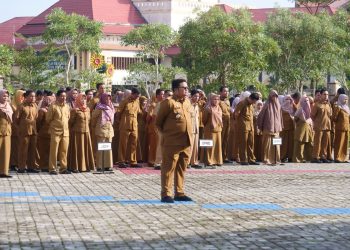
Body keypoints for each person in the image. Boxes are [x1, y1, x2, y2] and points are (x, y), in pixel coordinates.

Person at [156, 79, 193, 203]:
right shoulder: (168, 103)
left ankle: (180, 192)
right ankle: (166, 193)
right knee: (168, 168)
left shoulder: (187, 102)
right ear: (176, 90)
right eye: (184, 88)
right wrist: (166, 137)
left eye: (187, 88)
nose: (187, 90)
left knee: (182, 168)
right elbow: (158, 123)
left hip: (186, 142)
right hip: (172, 143)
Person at [68, 93, 95, 172]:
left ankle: (86, 166)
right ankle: (75, 167)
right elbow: (71, 122)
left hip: (86, 132)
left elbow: (89, 121)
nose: (83, 101)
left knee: (85, 150)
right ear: (78, 100)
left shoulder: (87, 109)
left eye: (84, 99)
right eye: (81, 99)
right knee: (78, 150)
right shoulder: (75, 110)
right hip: (77, 133)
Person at [47, 89, 71, 175]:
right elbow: (48, 119)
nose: (63, 98)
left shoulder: (67, 106)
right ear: (57, 97)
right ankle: (52, 169)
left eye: (65, 96)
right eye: (62, 96)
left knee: (64, 151)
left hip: (65, 132)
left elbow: (68, 118)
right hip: (55, 132)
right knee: (54, 150)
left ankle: (63, 168)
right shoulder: (53, 106)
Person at [257, 90, 283, 165]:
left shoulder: (278, 105)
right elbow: (261, 116)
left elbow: (280, 116)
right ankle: (266, 159)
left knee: (276, 145)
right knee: (267, 145)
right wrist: (260, 126)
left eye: (275, 96)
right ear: (270, 96)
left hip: (277, 129)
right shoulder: (266, 104)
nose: (274, 97)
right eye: (272, 96)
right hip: (268, 128)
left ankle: (276, 160)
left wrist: (280, 125)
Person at [16, 90, 40, 173]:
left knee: (32, 149)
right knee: (23, 149)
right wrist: (21, 128)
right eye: (31, 96)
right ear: (25, 97)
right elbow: (16, 119)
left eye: (34, 96)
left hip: (33, 131)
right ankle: (21, 167)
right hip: (24, 131)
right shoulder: (21, 106)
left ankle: (31, 167)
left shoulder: (35, 106)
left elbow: (36, 117)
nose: (33, 98)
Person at [117, 88, 142, 168]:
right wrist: (120, 123)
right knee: (123, 144)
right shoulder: (124, 101)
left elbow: (138, 112)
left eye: (138, 96)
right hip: (125, 125)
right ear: (132, 94)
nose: (137, 97)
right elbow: (118, 113)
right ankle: (121, 161)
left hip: (134, 125)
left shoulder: (137, 102)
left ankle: (133, 161)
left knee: (134, 143)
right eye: (136, 96)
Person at [234, 93, 260, 165]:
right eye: (254, 101)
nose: (254, 103)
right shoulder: (242, 103)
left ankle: (251, 159)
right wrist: (239, 125)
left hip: (251, 127)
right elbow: (236, 114)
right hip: (243, 127)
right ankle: (243, 160)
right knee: (243, 143)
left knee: (251, 143)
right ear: (251, 99)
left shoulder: (251, 105)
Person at [91, 93, 115, 171]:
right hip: (101, 129)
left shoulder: (111, 107)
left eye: (109, 98)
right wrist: (94, 126)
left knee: (108, 148)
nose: (108, 100)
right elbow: (93, 117)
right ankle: (100, 166)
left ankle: (108, 165)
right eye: (106, 99)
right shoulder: (99, 107)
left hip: (109, 129)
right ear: (103, 99)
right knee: (101, 147)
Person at [311, 89, 332, 163]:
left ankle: (323, 156)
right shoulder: (316, 104)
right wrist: (316, 123)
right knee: (317, 142)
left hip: (327, 126)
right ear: (321, 95)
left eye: (327, 95)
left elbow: (330, 115)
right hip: (319, 126)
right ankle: (315, 157)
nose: (326, 96)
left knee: (325, 143)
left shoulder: (328, 105)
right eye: (324, 94)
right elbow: (312, 116)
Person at [202, 93, 223, 167]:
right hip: (210, 129)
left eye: (217, 99)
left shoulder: (219, 108)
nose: (216, 101)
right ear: (210, 100)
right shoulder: (207, 108)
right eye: (214, 99)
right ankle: (208, 161)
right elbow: (204, 119)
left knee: (217, 146)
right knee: (209, 145)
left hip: (218, 129)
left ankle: (217, 160)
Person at [37, 92, 55, 171]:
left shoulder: (53, 109)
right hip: (44, 133)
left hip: (51, 133)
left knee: (50, 150)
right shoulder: (42, 110)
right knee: (43, 150)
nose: (49, 102)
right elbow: (38, 122)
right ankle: (43, 166)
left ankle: (49, 165)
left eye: (51, 100)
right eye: (48, 100)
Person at [147, 89, 164, 169]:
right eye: (161, 94)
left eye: (163, 94)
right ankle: (152, 160)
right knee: (154, 144)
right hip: (154, 127)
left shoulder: (162, 104)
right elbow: (150, 117)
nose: (162, 96)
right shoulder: (154, 104)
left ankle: (155, 160)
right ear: (156, 96)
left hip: (159, 127)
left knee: (158, 144)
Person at [293, 96, 313, 163]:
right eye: (304, 101)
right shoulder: (300, 109)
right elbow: (295, 119)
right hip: (300, 129)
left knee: (308, 143)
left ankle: (307, 158)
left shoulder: (309, 109)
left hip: (308, 129)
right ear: (301, 102)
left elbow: (310, 118)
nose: (306, 102)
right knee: (299, 144)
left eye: (307, 101)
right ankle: (298, 158)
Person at [332, 94, 350, 163]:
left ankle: (344, 158)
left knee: (345, 144)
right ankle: (337, 157)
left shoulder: (347, 108)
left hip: (346, 128)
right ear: (341, 99)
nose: (346, 101)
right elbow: (334, 118)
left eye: (346, 99)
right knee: (339, 143)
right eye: (344, 99)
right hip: (340, 128)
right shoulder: (338, 107)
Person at [10, 89, 24, 171]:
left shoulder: (22, 105)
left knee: (19, 147)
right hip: (14, 130)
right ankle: (13, 164)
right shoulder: (12, 105)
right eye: (21, 96)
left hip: (21, 130)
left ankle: (19, 163)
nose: (22, 98)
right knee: (14, 148)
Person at [0, 90, 13, 178]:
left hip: (7, 131)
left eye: (7, 96)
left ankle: (4, 172)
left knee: (6, 152)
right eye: (3, 96)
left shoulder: (8, 106)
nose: (5, 98)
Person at [280, 95, 295, 163]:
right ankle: (282, 157)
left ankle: (290, 157)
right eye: (287, 99)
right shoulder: (281, 108)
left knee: (291, 144)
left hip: (291, 128)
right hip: (283, 129)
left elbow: (297, 112)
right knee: (283, 143)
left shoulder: (293, 107)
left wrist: (293, 103)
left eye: (290, 99)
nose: (288, 101)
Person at [219, 86, 231, 163]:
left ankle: (224, 156)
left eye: (227, 91)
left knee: (226, 140)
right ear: (220, 92)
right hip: (221, 123)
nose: (226, 93)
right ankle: (219, 157)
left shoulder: (227, 101)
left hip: (228, 123)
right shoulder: (218, 101)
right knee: (220, 140)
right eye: (225, 91)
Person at [189, 89, 201, 168]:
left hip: (196, 128)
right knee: (189, 146)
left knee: (195, 147)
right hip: (190, 128)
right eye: (195, 96)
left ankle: (194, 162)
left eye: (198, 96)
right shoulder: (188, 105)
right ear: (191, 96)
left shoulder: (197, 105)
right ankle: (187, 162)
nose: (197, 98)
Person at [137, 96, 148, 163]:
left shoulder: (146, 108)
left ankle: (143, 157)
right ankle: (139, 158)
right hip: (139, 127)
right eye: (144, 101)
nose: (145, 102)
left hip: (144, 127)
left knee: (143, 142)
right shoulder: (138, 108)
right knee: (139, 142)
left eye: (146, 101)